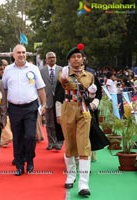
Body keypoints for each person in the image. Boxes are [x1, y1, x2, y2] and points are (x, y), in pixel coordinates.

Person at [55, 44, 96, 197]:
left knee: (84, 146)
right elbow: (63, 82)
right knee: (70, 145)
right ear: (69, 60)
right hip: (68, 110)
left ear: (82, 59)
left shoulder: (90, 75)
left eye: (79, 56)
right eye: (73, 57)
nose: (77, 59)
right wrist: (65, 75)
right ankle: (71, 175)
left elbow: (92, 95)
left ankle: (83, 184)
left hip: (84, 111)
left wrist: (92, 95)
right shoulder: (64, 73)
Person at [2, 44, 46, 176]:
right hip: (14, 108)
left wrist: (44, 105)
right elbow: (4, 89)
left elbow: (40, 87)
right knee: (17, 137)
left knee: (30, 136)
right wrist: (3, 107)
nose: (21, 55)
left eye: (23, 52)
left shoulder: (33, 68)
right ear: (13, 55)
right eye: (18, 53)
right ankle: (19, 165)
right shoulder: (8, 70)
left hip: (30, 107)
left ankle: (30, 160)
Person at [40, 51, 63, 150]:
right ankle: (51, 142)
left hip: (59, 100)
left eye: (53, 57)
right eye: (50, 57)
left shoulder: (62, 70)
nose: (52, 59)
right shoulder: (41, 71)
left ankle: (59, 142)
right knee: (49, 123)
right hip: (47, 100)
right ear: (46, 60)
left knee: (59, 122)